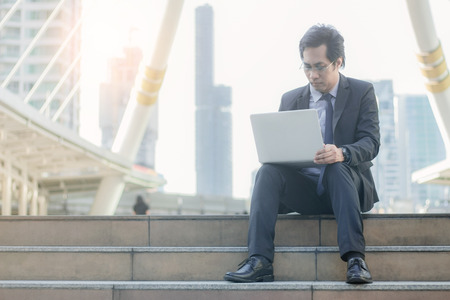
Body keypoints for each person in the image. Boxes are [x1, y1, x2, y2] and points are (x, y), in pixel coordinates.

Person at [224, 24, 380, 284]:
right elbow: (282, 148)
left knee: (336, 167)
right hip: (305, 191)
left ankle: (355, 260)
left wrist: (341, 152)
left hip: (345, 189)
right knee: (267, 172)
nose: (312, 74)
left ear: (338, 62)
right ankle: (259, 260)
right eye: (306, 66)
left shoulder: (362, 92)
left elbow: (371, 142)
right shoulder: (291, 99)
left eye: (319, 66)